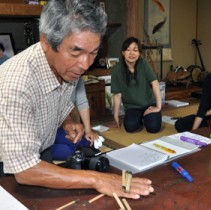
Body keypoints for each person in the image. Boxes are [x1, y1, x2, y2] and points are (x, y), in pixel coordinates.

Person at [0, 0, 153, 200]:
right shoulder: (16, 83)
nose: (85, 64)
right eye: (76, 51)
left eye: (94, 52)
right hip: (9, 166)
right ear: (46, 42)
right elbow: (25, 170)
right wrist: (98, 179)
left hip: (39, 152)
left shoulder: (67, 66)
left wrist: (69, 120)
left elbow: (60, 101)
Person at [111, 37, 162, 133]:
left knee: (154, 128)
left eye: (135, 50)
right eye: (128, 50)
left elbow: (155, 83)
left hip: (149, 104)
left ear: (139, 53)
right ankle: (141, 120)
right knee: (130, 127)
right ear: (123, 53)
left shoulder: (144, 64)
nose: (132, 53)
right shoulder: (116, 70)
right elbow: (117, 94)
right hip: (132, 107)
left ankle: (149, 118)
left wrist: (158, 107)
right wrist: (115, 115)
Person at [51, 76, 100, 160]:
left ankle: (75, 150)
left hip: (67, 122)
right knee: (67, 150)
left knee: (88, 141)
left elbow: (82, 101)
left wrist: (88, 131)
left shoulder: (78, 75)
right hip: (50, 127)